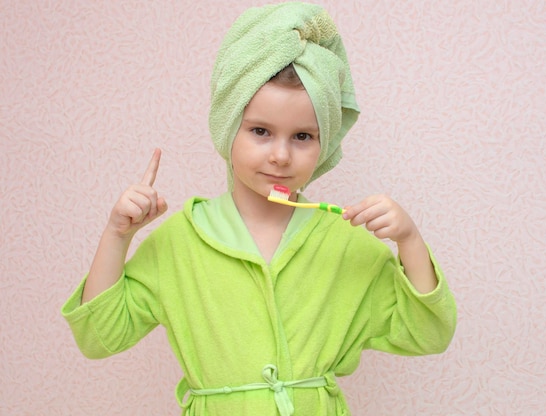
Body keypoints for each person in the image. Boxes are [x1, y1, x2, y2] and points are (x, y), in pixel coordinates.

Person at [61, 3, 456, 415]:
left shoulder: (345, 243)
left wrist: (408, 240)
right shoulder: (180, 241)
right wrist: (117, 235)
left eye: (303, 136)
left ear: (325, 146)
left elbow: (428, 333)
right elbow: (98, 336)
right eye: (260, 131)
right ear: (228, 127)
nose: (281, 156)